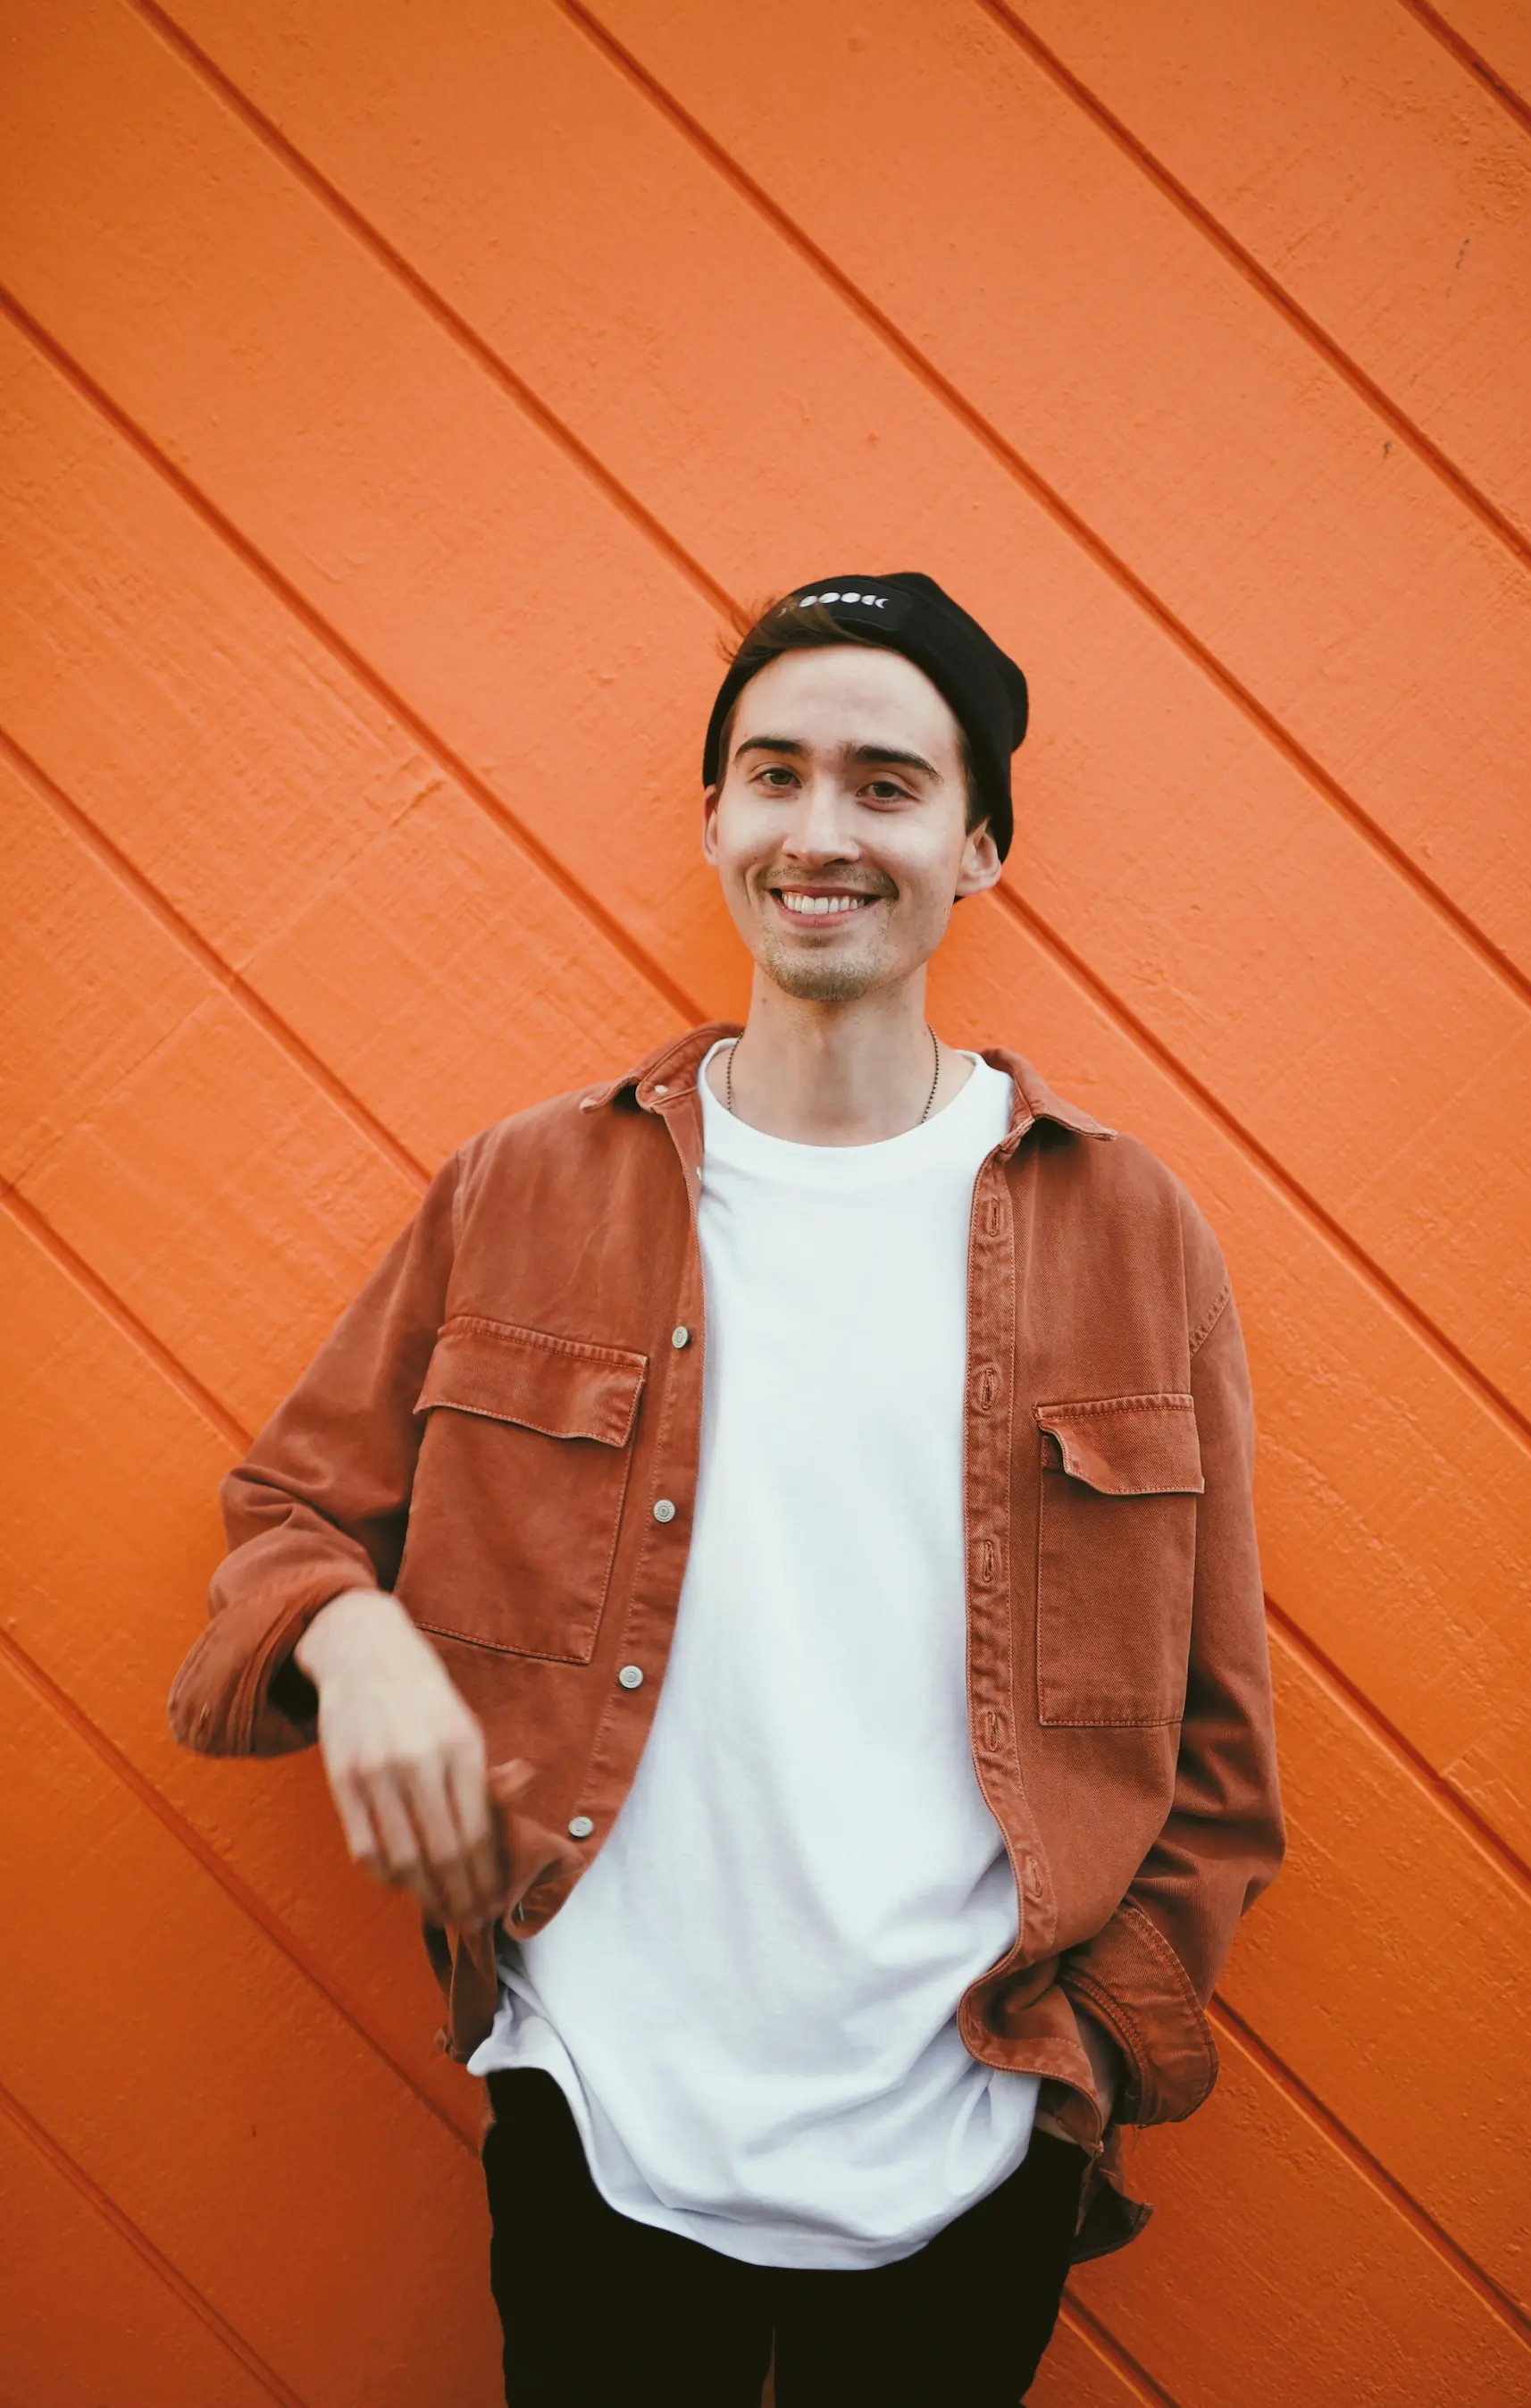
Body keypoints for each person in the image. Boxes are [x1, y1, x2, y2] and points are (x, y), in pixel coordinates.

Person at [169, 573, 1284, 2407]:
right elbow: (288, 1517)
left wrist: (1100, 2060)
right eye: (774, 775)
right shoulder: (527, 1187)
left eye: (886, 783)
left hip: (973, 2140)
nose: (820, 830)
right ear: (715, 823)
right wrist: (353, 1644)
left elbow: (1216, 1737)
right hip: (600, 2108)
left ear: (978, 845)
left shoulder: (1128, 1229)